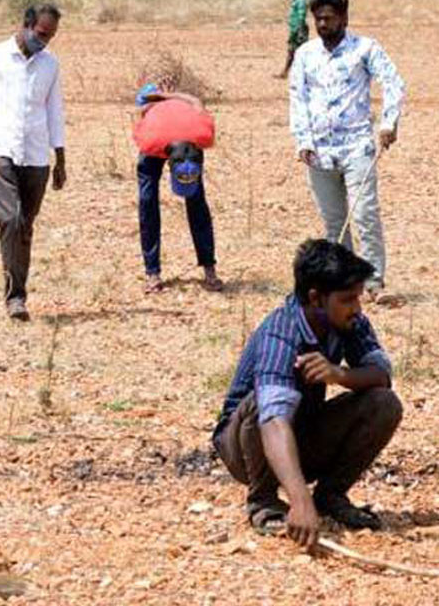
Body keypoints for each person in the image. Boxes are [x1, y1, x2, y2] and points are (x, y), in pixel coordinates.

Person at [213, 239, 401, 546]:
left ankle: (330, 496)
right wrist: (300, 501)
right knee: (264, 403)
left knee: (384, 403)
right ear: (316, 298)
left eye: (358, 297)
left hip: (301, 432)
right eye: (348, 299)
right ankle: (263, 500)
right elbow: (273, 420)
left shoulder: (350, 321)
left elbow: (381, 376)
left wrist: (338, 374)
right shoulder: (281, 331)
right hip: (245, 447)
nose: (357, 307)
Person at [290, 0, 405, 302]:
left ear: (344, 18)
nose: (322, 24)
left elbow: (393, 82)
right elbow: (298, 99)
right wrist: (303, 141)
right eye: (318, 19)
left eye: (328, 18)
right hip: (319, 152)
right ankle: (344, 284)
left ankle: (373, 282)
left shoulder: (365, 49)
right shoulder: (305, 54)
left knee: (365, 214)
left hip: (357, 148)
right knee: (334, 222)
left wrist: (388, 122)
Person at [0, 4, 68, 321]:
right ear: (26, 25)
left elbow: (55, 111)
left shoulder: (50, 64)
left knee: (24, 226)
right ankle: (15, 298)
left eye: (50, 37)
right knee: (10, 219)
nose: (45, 41)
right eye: (41, 34)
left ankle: (17, 289)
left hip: (36, 155)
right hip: (0, 149)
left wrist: (60, 158)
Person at [133, 83, 222, 293]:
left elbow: (194, 101)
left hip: (184, 138)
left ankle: (209, 268)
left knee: (197, 202)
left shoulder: (201, 135)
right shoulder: (149, 140)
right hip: (155, 138)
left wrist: (168, 96)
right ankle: (152, 273)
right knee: (148, 202)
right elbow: (141, 112)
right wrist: (158, 101)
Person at [276, 0, 308, 79]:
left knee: (302, 51)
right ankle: (285, 72)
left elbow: (301, 16)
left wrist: (298, 31)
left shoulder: (300, 0)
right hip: (295, 30)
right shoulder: (296, 0)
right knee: (292, 51)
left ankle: (303, 73)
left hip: (299, 30)